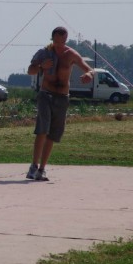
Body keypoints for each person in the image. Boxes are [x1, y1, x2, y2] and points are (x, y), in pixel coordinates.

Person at [26, 26, 94, 181]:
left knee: (54, 133)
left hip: (62, 97)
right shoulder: (44, 53)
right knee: (42, 129)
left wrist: (89, 74)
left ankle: (42, 169)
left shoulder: (71, 54)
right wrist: (41, 66)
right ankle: (33, 166)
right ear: (52, 38)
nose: (59, 43)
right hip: (46, 94)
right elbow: (30, 70)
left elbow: (89, 68)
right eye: (57, 40)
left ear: (66, 39)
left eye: (63, 40)